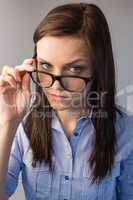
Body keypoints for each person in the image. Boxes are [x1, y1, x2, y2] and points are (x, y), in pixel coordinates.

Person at [0, 2, 133, 200]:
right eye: (45, 65)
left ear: (97, 69)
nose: (56, 87)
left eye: (74, 69)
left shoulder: (126, 130)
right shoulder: (23, 125)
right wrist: (8, 122)